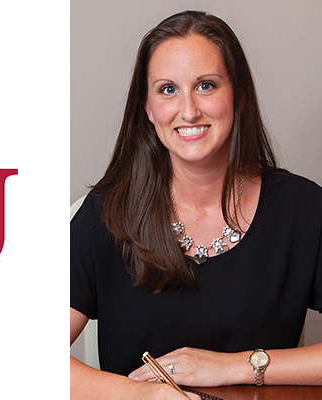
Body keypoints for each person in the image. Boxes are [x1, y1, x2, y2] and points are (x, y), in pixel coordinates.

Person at [70, 10, 322, 400]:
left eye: (206, 85)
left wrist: (234, 365)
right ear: (148, 108)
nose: (188, 110)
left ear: (237, 95)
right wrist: (146, 396)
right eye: (167, 90)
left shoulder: (303, 209)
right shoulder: (104, 214)